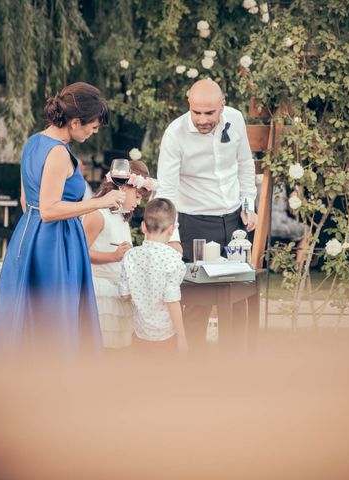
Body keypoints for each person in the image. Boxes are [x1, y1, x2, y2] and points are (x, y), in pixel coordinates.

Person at [0, 82, 125, 357]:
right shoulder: (59, 152)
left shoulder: (33, 142)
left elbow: (28, 201)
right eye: (93, 127)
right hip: (54, 244)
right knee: (55, 317)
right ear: (75, 122)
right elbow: (49, 210)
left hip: (29, 236)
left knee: (32, 317)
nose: (93, 133)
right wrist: (100, 202)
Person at [156, 78, 257, 348]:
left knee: (237, 297)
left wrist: (249, 206)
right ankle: (194, 367)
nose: (202, 119)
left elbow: (245, 164)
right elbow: (166, 190)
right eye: (196, 112)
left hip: (236, 221)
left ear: (222, 106)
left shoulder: (235, 119)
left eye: (209, 113)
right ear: (189, 104)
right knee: (197, 303)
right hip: (194, 224)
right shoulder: (174, 134)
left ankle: (233, 363)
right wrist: (173, 236)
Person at [83, 160, 156, 349]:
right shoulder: (98, 214)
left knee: (119, 349)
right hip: (101, 293)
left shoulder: (121, 218)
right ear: (123, 186)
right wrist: (113, 257)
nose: (138, 203)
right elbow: (80, 252)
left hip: (119, 291)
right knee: (103, 347)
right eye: (138, 196)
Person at [119, 198, 188, 354]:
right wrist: (182, 337)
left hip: (139, 333)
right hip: (166, 336)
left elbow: (125, 296)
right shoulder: (173, 260)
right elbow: (172, 302)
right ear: (172, 229)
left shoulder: (130, 256)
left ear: (143, 227)